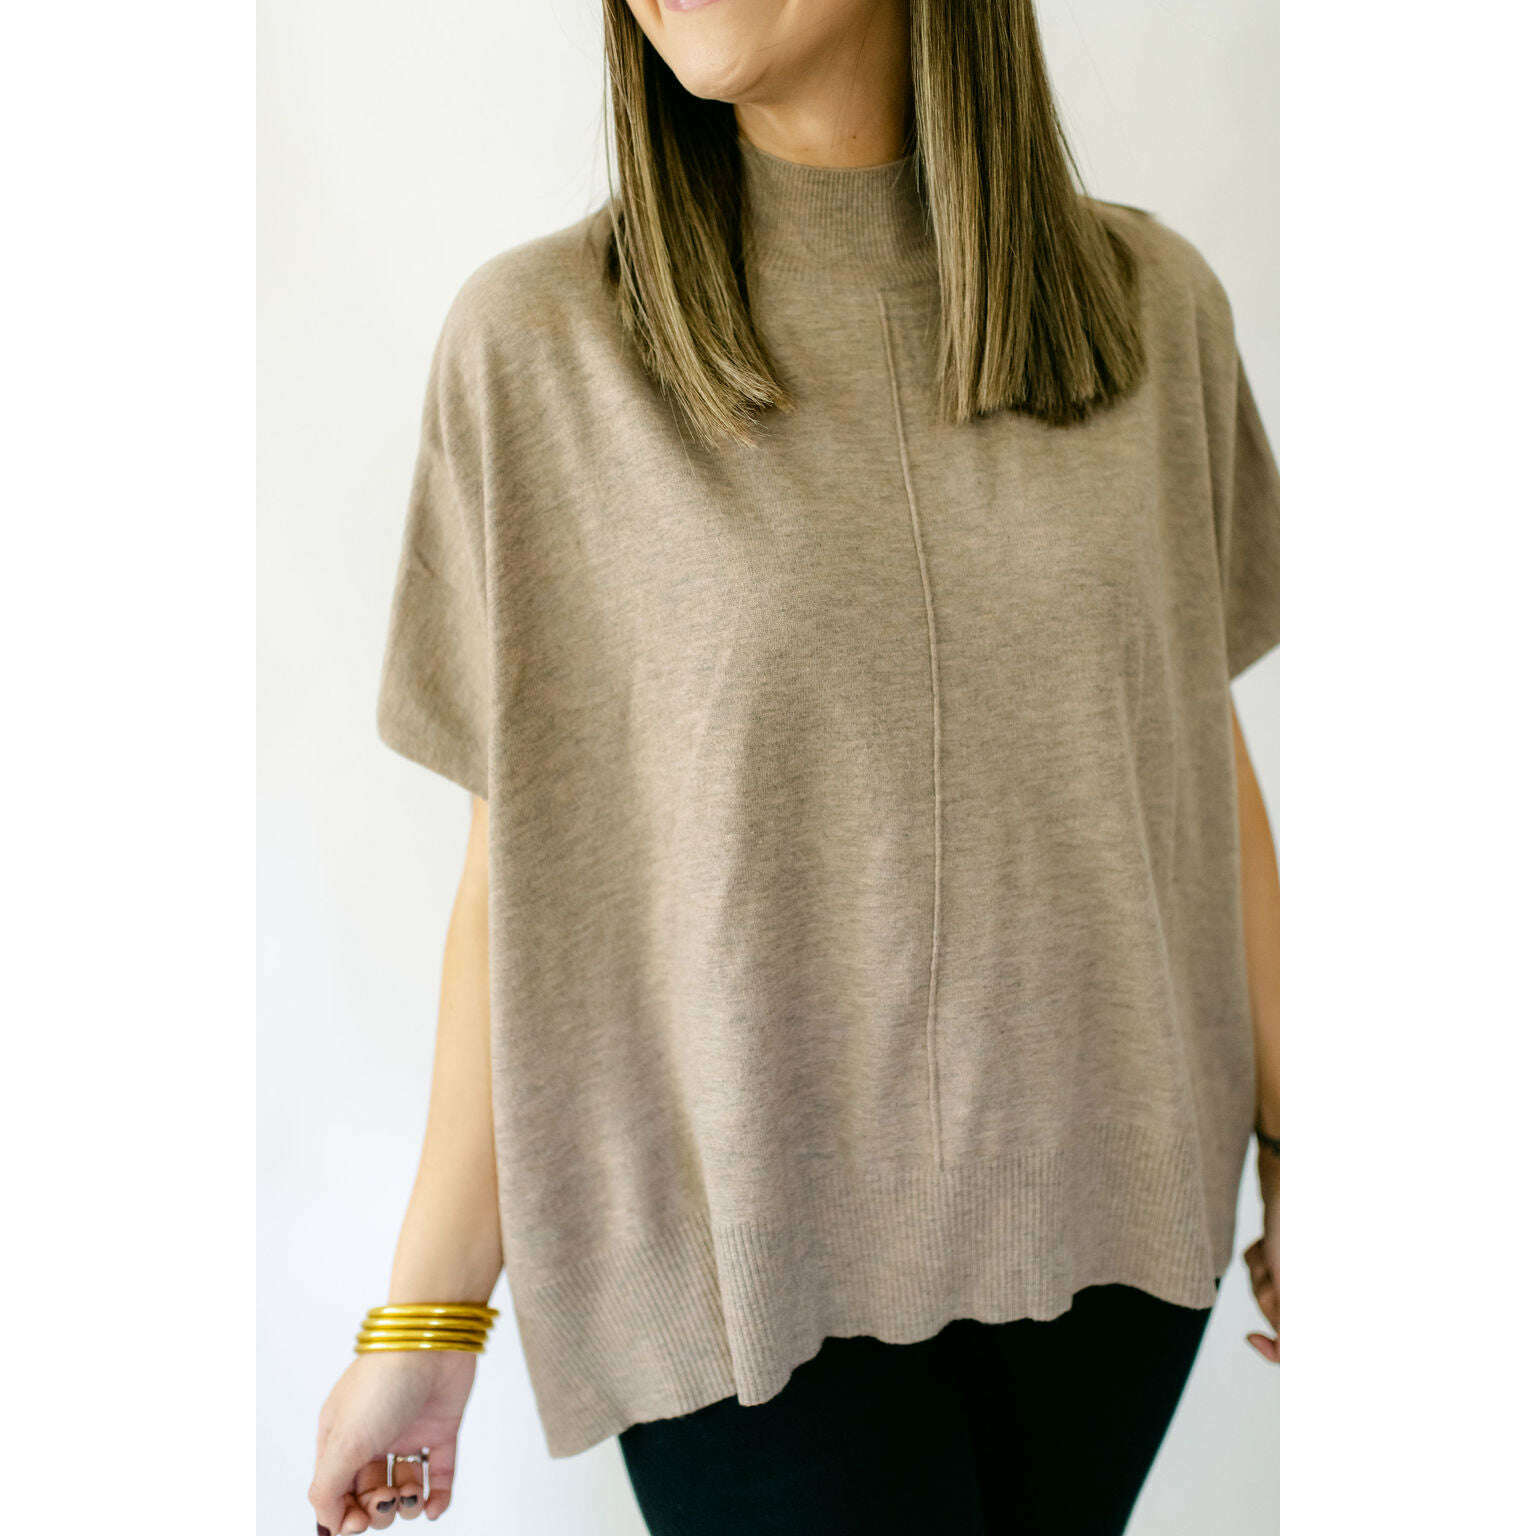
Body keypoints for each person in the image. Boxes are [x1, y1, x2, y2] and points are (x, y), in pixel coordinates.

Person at [308, 1, 1280, 1531]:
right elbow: (526, 882)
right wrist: (426, 1321)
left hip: (1108, 1240)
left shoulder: (1154, 311)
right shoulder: (543, 346)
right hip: (734, 1268)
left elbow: (1192, 766)